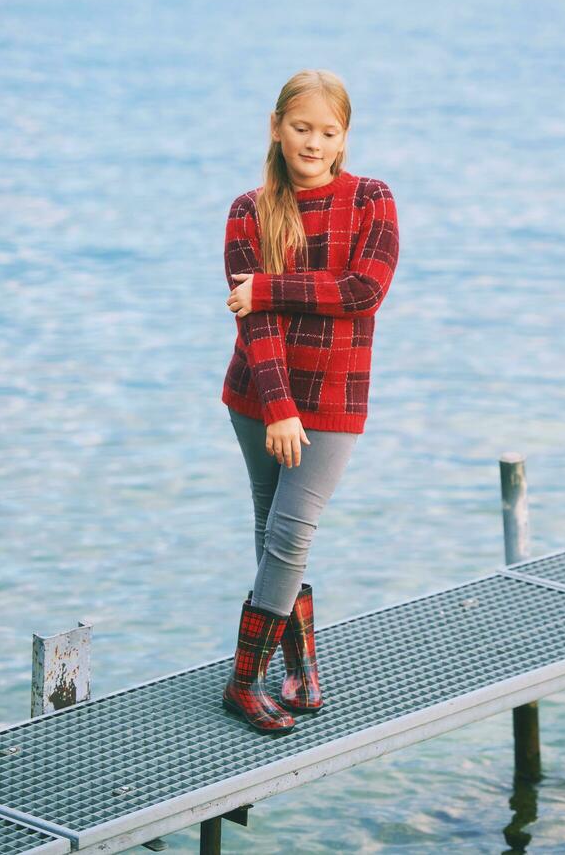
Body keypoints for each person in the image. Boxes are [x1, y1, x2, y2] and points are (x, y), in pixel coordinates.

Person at [220, 68, 400, 734]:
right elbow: (253, 327)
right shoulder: (248, 209)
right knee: (273, 532)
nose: (314, 142)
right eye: (301, 128)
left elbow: (361, 292)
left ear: (345, 138)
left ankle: (243, 682)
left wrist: (268, 286)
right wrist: (276, 407)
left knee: (291, 531)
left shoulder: (371, 200)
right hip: (257, 394)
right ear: (275, 128)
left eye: (328, 132)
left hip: (337, 393)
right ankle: (297, 668)